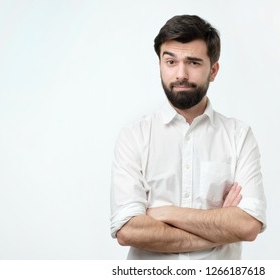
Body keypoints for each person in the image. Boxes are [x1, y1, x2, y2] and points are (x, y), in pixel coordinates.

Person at [110, 15, 266, 260]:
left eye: (193, 63)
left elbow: (247, 226)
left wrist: (165, 212)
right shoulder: (134, 137)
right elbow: (128, 231)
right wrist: (222, 227)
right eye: (171, 61)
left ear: (213, 70)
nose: (180, 74)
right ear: (160, 65)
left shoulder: (239, 136)